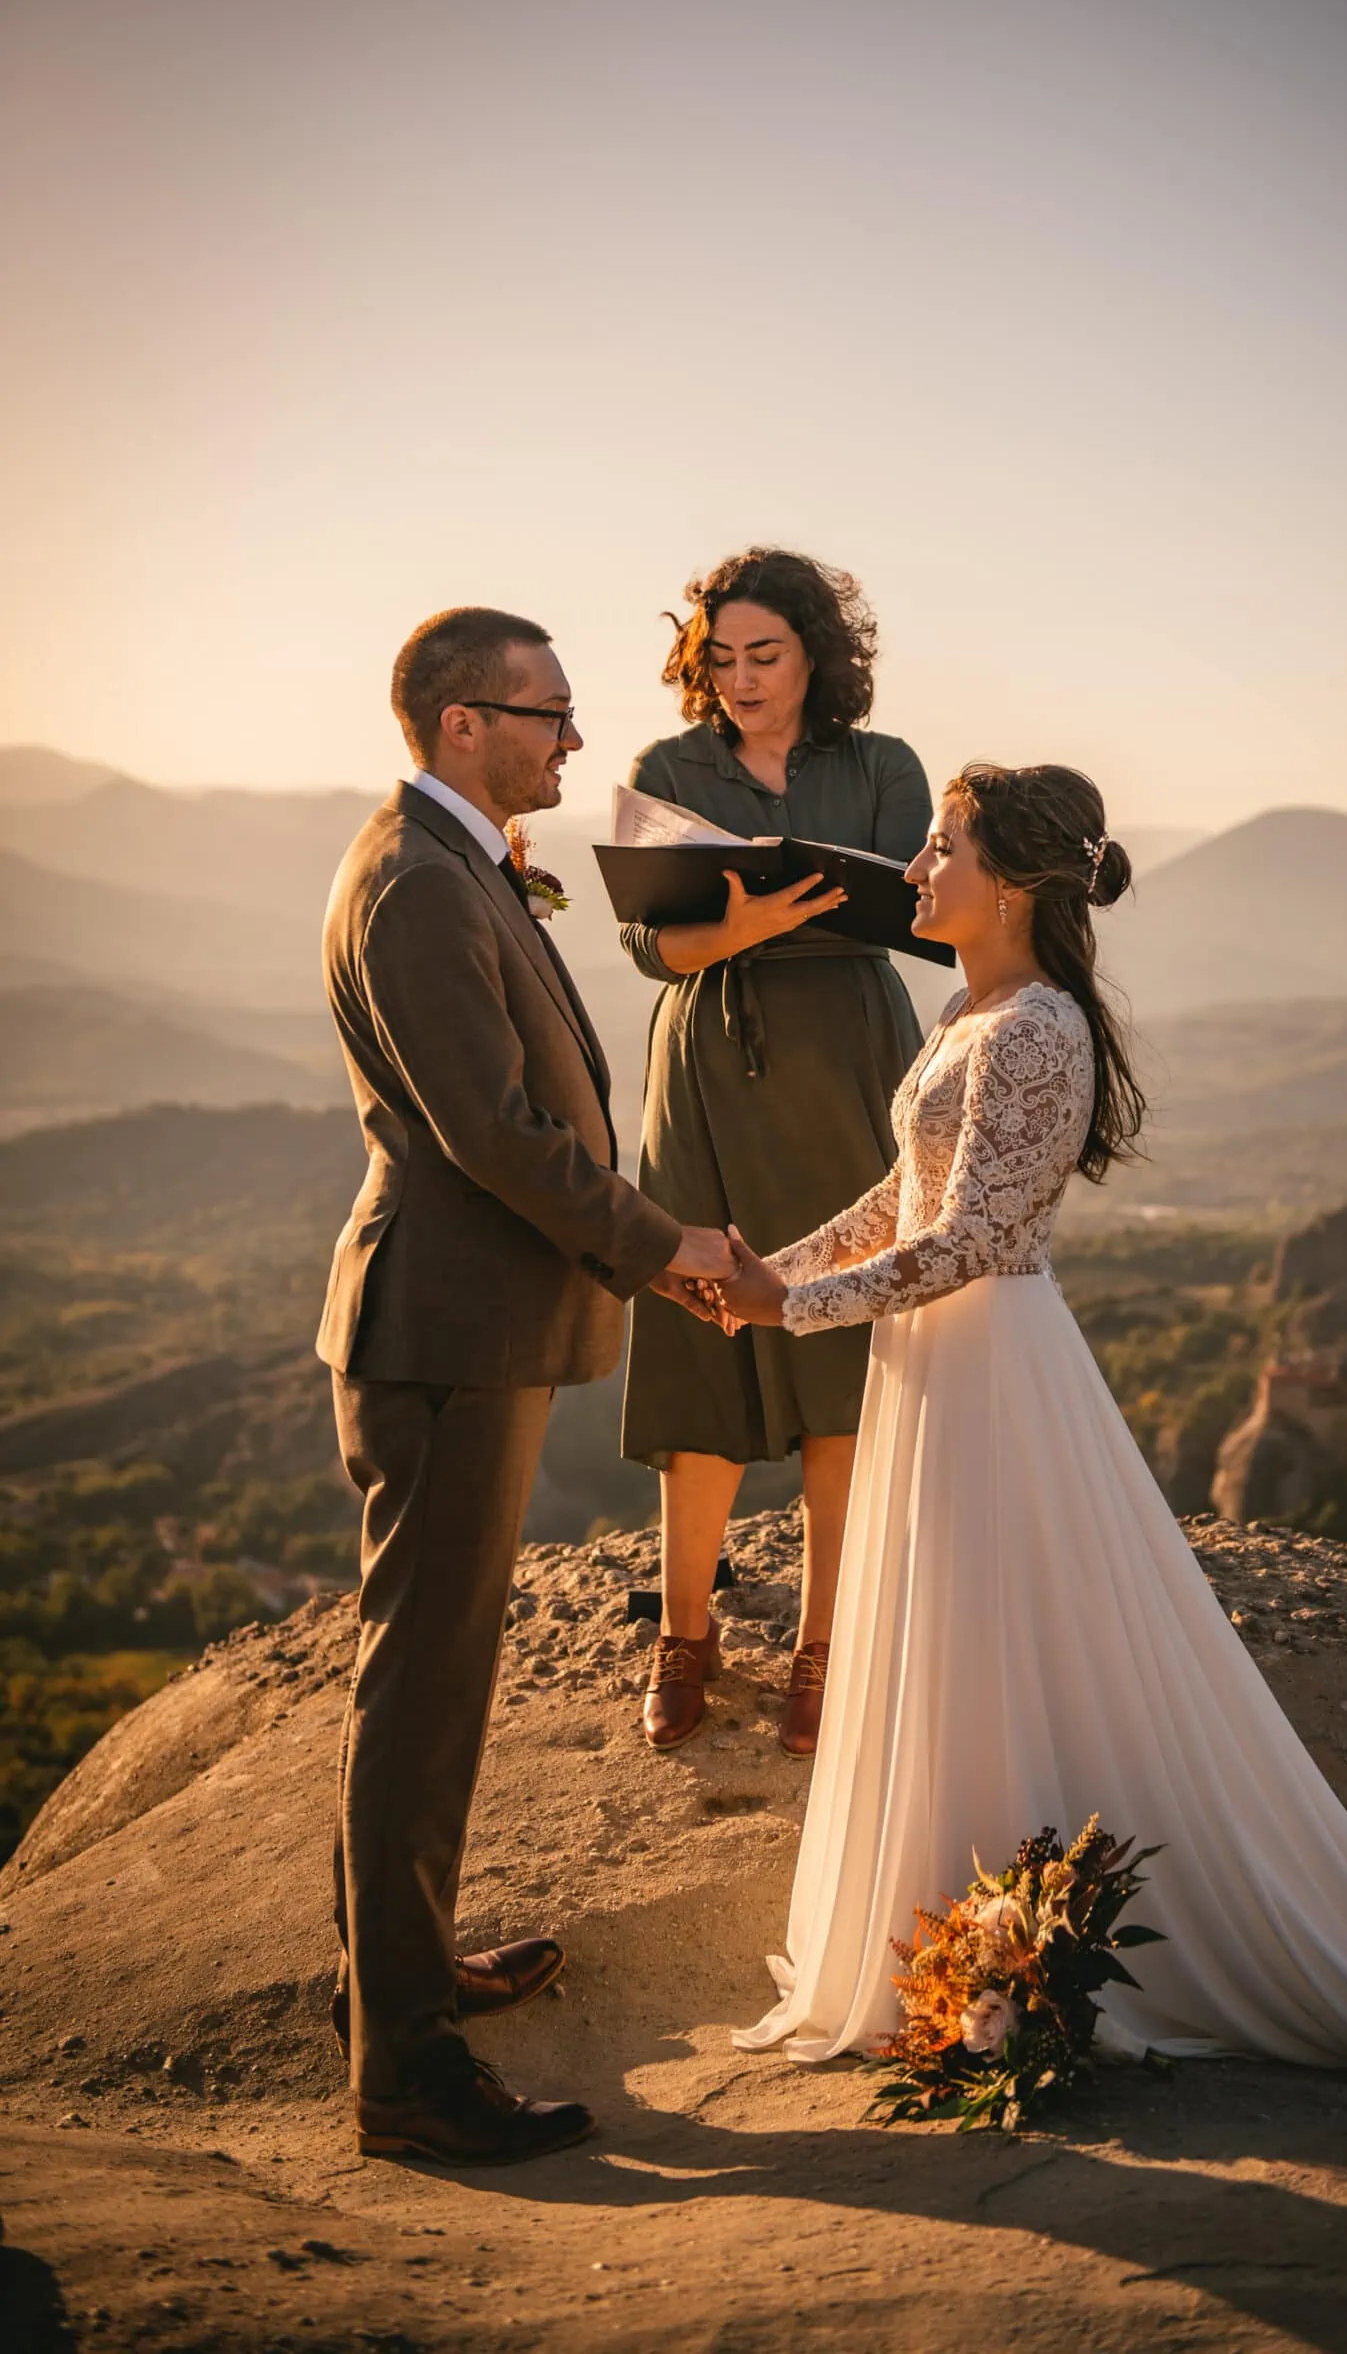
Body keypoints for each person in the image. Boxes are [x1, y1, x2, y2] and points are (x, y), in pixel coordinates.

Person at [709, 761, 1347, 2141]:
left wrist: (792, 1307)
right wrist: (777, 1267)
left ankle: (1025, 1944)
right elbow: (906, 1196)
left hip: (995, 1364)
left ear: (1011, 883)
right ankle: (940, 1938)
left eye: (942, 849)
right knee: (945, 1631)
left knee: (998, 1630)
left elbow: (982, 1241)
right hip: (931, 1360)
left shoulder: (1040, 1028)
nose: (918, 871)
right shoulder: (966, 1009)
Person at [317, 606, 732, 2167]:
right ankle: (406, 2080)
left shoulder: (448, 858)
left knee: (421, 1677)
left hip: (463, 1322)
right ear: (456, 723)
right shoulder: (420, 883)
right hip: (448, 1330)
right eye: (546, 711)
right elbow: (493, 1135)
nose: (573, 736)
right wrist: (664, 1243)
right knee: (420, 1694)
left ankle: (396, 1978)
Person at [620, 547, 932, 1758]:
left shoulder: (883, 765)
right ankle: (682, 1633)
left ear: (816, 656)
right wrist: (737, 927)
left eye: (767, 656)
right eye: (723, 660)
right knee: (701, 1319)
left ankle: (822, 1644)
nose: (742, 681)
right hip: (704, 1064)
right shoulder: (667, 768)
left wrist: (785, 921)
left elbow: (907, 911)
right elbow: (654, 945)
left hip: (848, 1059)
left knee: (838, 1343)